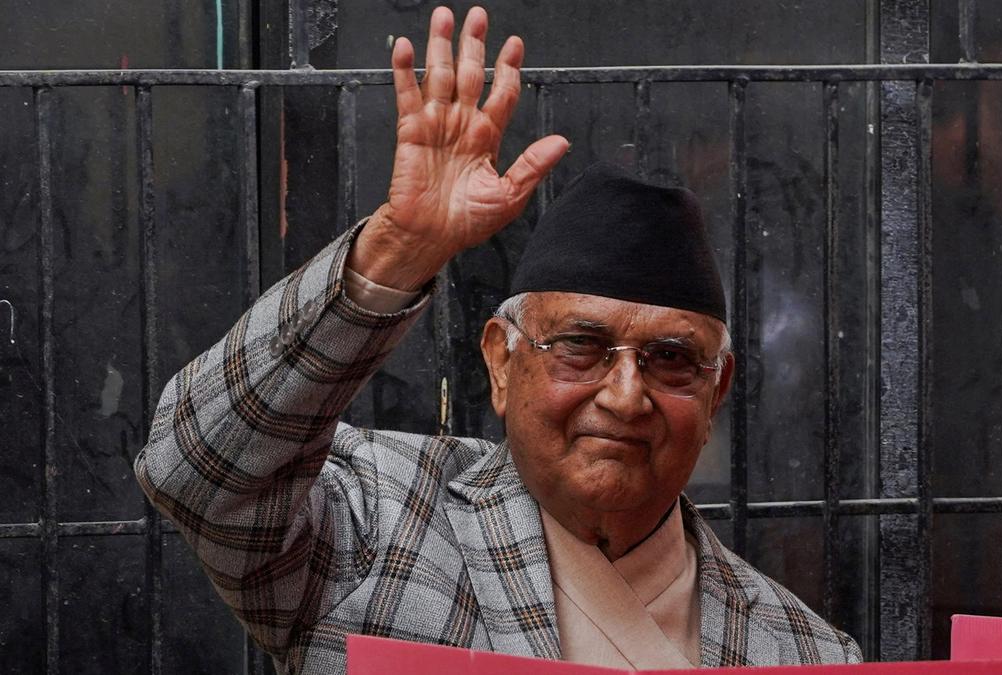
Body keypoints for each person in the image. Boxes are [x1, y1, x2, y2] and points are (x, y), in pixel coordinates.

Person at [135, 6, 861, 673]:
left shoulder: (806, 651)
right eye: (580, 346)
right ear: (501, 361)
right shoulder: (378, 526)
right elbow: (194, 470)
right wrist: (398, 252)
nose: (625, 395)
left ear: (715, 390)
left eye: (670, 359)